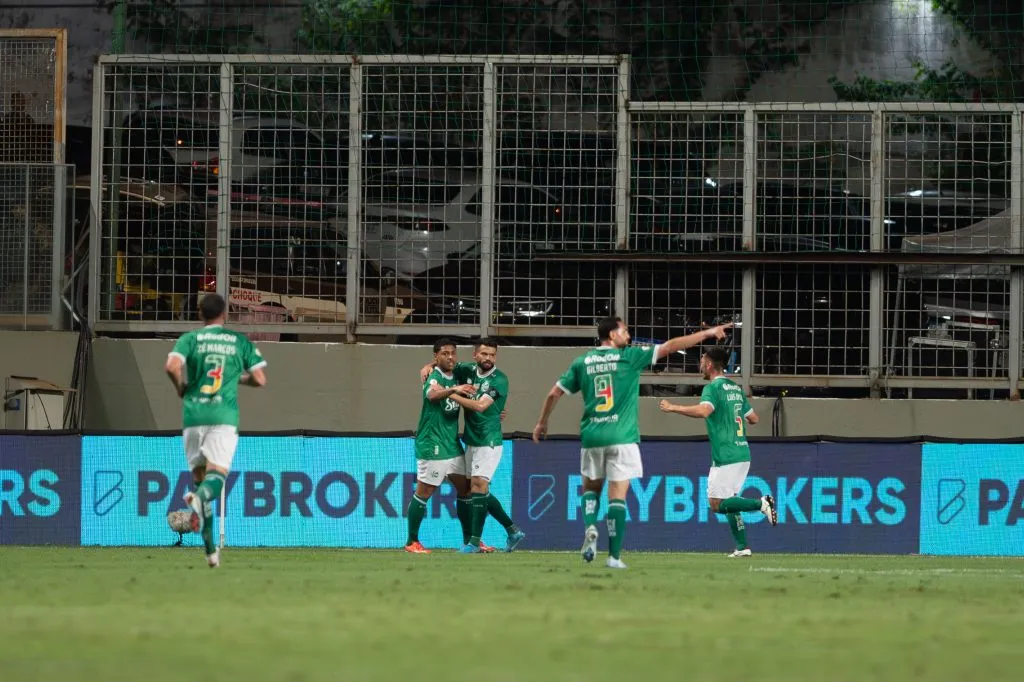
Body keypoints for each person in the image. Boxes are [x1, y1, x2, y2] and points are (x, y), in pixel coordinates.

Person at [533, 316, 732, 569]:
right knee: (617, 497)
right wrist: (707, 333)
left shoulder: (582, 362)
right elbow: (671, 345)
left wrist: (542, 422)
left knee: (591, 490)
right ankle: (614, 557)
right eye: (624, 330)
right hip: (623, 438)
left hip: (593, 436)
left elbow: (553, 393)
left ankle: (591, 527)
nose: (628, 334)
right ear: (611, 335)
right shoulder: (630, 357)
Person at [164, 293, 267, 568]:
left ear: (200, 314)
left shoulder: (190, 339)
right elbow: (260, 379)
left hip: (193, 416)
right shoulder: (238, 342)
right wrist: (237, 379)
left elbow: (171, 366)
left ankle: (211, 553)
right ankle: (197, 501)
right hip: (222, 417)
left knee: (200, 481)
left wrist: (181, 387)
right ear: (225, 313)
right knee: (215, 480)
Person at [659, 345, 777, 557]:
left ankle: (762, 503)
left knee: (716, 504)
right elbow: (754, 418)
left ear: (710, 364)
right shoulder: (735, 388)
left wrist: (673, 408)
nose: (701, 364)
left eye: (703, 360)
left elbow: (705, 411)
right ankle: (742, 547)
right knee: (730, 499)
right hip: (742, 452)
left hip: (726, 454)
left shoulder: (712, 388)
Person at [420, 338, 526, 553]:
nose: (488, 359)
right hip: (471, 440)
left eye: (492, 355)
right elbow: (444, 363)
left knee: (478, 487)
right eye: (484, 354)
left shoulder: (500, 380)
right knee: (474, 491)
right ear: (475, 355)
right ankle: (512, 530)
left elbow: (479, 406)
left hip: (490, 441)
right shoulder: (466, 370)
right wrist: (428, 366)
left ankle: (474, 543)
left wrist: (452, 392)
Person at [405, 338, 476, 554]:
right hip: (433, 443)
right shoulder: (433, 377)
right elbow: (432, 395)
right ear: (436, 357)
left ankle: (469, 542)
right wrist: (454, 388)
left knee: (465, 490)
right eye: (444, 353)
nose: (450, 357)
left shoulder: (456, 373)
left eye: (453, 353)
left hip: (452, 444)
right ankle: (412, 542)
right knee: (424, 491)